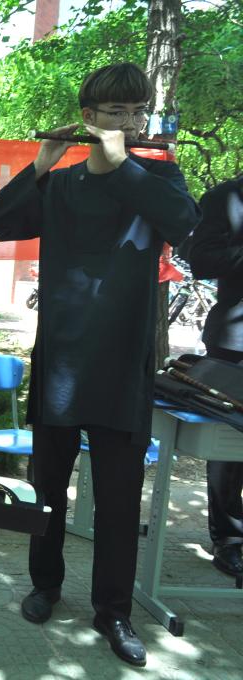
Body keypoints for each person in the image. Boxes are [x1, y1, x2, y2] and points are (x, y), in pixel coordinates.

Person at [0, 62, 201, 667]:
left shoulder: (158, 176)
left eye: (137, 111)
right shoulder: (61, 186)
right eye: (116, 112)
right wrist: (41, 162)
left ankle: (114, 611)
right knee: (48, 487)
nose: (130, 122)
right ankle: (45, 585)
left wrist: (126, 161)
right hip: (62, 361)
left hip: (124, 367)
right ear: (89, 117)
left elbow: (184, 223)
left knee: (119, 499)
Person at [182, 173, 243, 577]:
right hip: (237, 343)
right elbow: (200, 258)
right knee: (230, 449)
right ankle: (230, 538)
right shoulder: (226, 197)